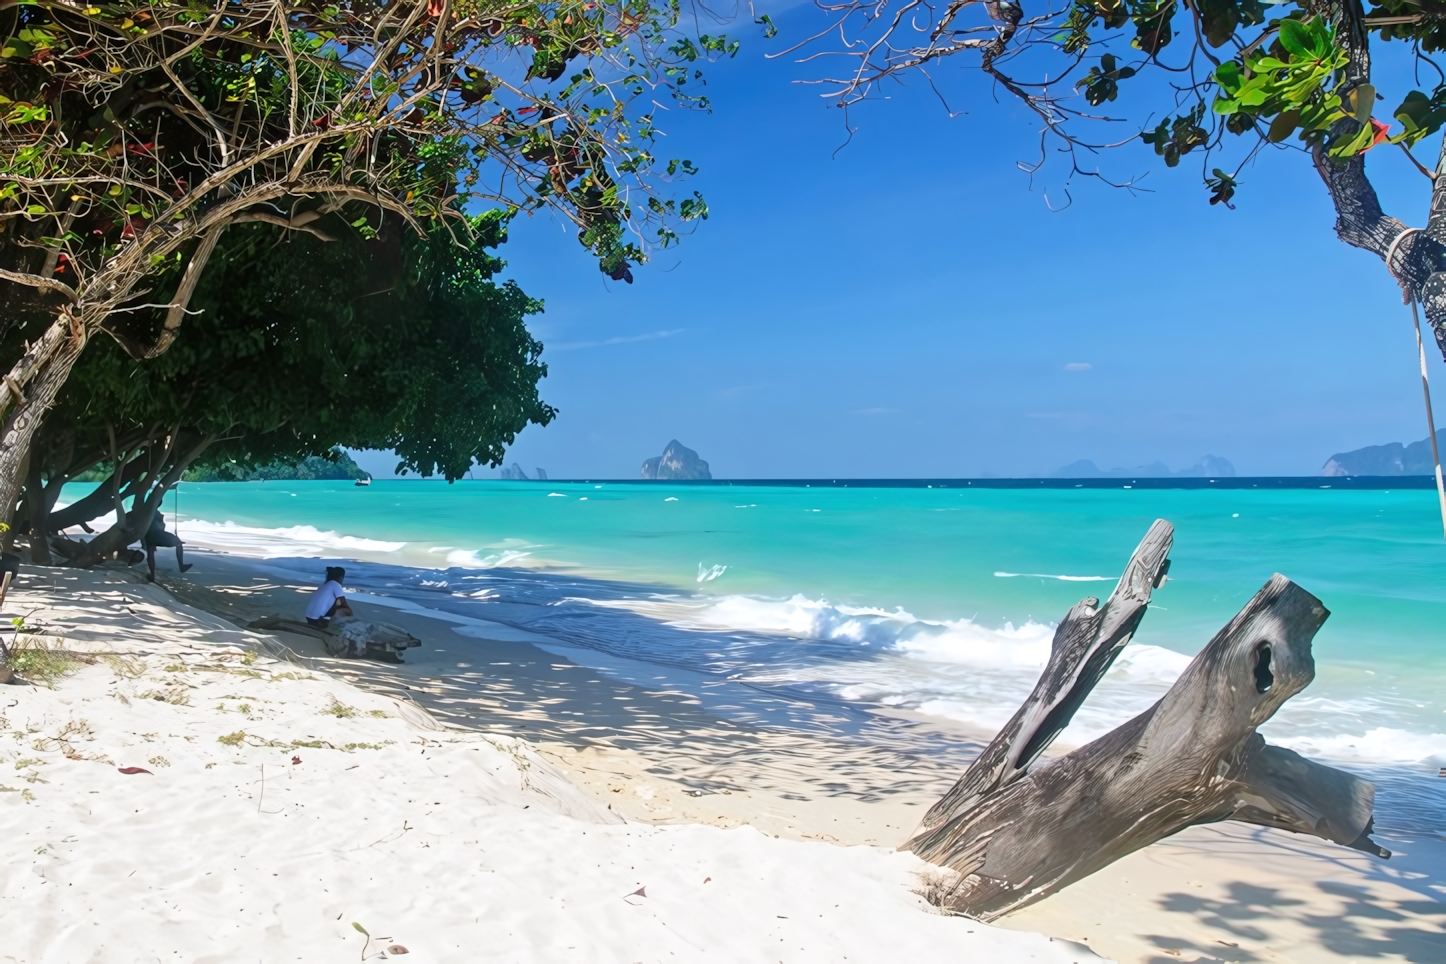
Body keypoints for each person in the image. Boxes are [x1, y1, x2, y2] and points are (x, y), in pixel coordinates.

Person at [143, 512, 191, 583]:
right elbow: (161, 526)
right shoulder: (155, 514)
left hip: (149, 536)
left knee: (150, 555)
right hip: (155, 535)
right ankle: (181, 565)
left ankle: (152, 576)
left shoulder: (149, 512)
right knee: (178, 543)